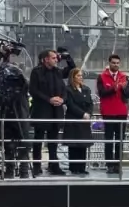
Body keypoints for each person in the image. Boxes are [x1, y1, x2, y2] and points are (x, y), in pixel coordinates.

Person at [29, 48, 68, 176]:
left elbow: (64, 88)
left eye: (56, 58)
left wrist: (62, 99)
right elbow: (33, 90)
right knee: (38, 139)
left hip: (56, 110)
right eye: (53, 58)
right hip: (41, 110)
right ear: (46, 59)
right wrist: (49, 99)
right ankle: (36, 166)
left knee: (53, 140)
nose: (56, 60)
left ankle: (53, 165)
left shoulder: (58, 72)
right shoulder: (37, 72)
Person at [96, 54, 129, 175]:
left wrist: (124, 88)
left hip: (122, 112)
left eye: (117, 63)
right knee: (109, 139)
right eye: (113, 63)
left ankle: (118, 164)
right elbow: (102, 93)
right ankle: (109, 164)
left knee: (120, 140)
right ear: (109, 63)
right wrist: (114, 88)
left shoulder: (124, 77)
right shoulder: (102, 77)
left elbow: (128, 95)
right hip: (108, 112)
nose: (116, 65)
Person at [63, 65, 95, 176]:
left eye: (81, 75)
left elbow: (90, 103)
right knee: (74, 145)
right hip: (73, 120)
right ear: (73, 77)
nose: (81, 77)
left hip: (84, 122)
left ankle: (82, 167)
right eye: (78, 75)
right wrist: (82, 114)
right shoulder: (68, 90)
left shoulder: (86, 89)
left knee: (83, 145)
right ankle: (74, 168)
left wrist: (89, 114)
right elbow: (70, 105)